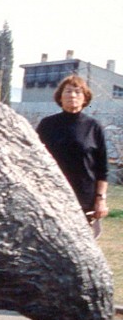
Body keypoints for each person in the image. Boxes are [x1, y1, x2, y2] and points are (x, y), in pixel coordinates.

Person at [36, 74, 108, 238]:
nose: (72, 96)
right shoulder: (47, 125)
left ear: (85, 98)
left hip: (83, 199)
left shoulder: (93, 127)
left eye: (77, 92)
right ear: (60, 97)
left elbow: (102, 169)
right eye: (68, 91)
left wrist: (100, 199)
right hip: (50, 196)